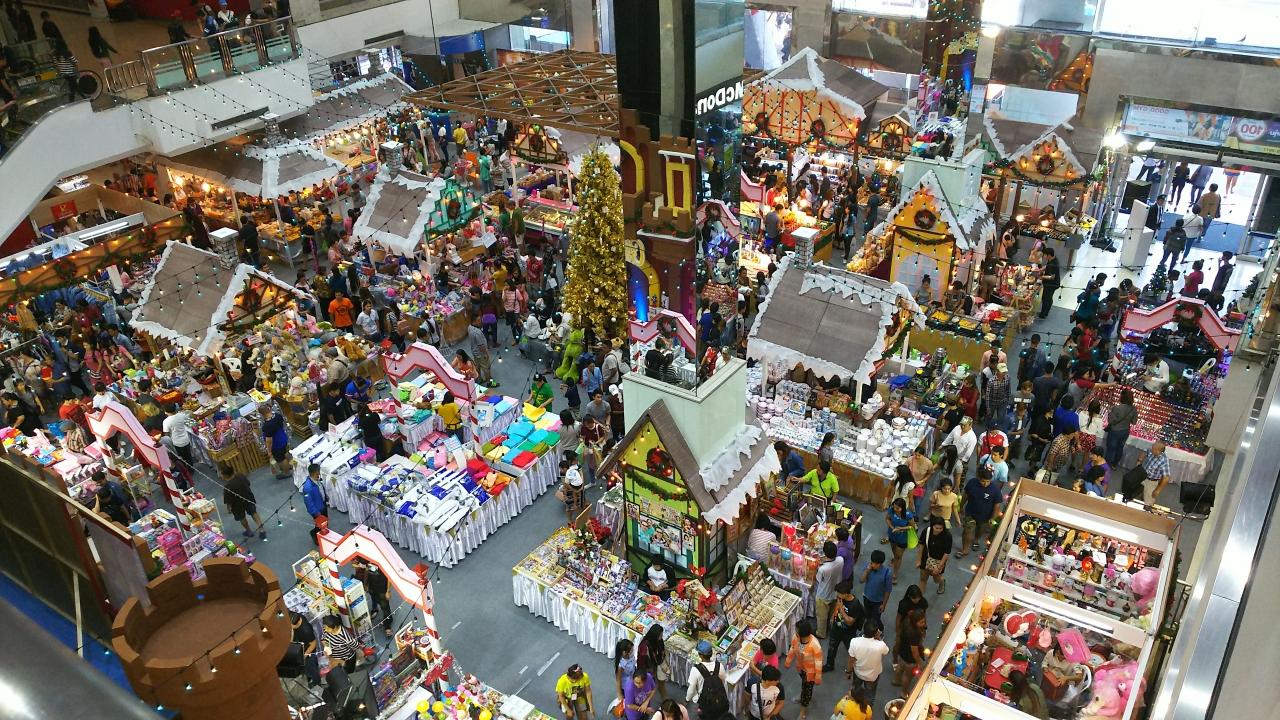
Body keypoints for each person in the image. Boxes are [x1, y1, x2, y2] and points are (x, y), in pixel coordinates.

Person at [783, 620, 824, 720]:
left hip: (810, 673)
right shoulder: (796, 638)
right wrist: (788, 661)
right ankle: (802, 695)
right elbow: (792, 649)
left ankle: (802, 712)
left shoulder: (815, 645)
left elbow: (818, 662)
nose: (795, 631)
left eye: (797, 630)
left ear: (802, 633)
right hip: (801, 668)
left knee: (807, 692)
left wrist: (818, 677)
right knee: (804, 684)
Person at [959, 466, 1002, 557]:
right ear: (979, 478)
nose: (985, 484)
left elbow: (997, 505)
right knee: (967, 530)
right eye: (983, 481)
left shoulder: (995, 489)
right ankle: (965, 549)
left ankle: (976, 540)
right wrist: (961, 507)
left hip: (985, 516)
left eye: (988, 481)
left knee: (980, 530)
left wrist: (993, 518)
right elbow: (965, 495)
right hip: (970, 513)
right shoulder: (972, 483)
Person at [845, 623, 889, 703]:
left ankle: (854, 704)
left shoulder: (854, 642)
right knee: (870, 694)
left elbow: (851, 659)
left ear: (864, 630)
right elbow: (886, 651)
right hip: (872, 676)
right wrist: (879, 638)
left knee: (855, 690)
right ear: (876, 633)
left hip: (858, 673)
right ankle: (867, 708)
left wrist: (848, 671)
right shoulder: (880, 645)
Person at [220, 466, 266, 540]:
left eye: (221, 474)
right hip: (248, 498)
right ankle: (261, 529)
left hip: (237, 505)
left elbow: (229, 501)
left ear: (225, 475)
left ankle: (249, 531)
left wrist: (229, 509)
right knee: (254, 513)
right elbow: (248, 483)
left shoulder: (227, 486)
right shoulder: (240, 475)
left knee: (242, 517)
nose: (221, 476)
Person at [685, 640, 729, 719]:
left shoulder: (695, 670)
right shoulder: (719, 666)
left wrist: (687, 699)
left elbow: (691, 689)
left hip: (704, 702)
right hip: (719, 701)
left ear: (700, 655)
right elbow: (724, 683)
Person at [352, 557, 393, 636]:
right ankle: (376, 610)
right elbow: (367, 571)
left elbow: (389, 577)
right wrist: (366, 584)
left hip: (382, 588)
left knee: (385, 607)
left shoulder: (382, 563)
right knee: (376, 600)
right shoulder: (368, 564)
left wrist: (388, 591)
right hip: (372, 587)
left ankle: (387, 625)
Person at [814, 541, 844, 639]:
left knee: (821, 617)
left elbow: (818, 579)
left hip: (823, 595)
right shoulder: (840, 560)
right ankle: (830, 626)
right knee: (832, 612)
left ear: (825, 553)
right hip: (835, 592)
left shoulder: (823, 569)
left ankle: (821, 633)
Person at [892, 610, 927, 688]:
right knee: (908, 676)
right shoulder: (915, 634)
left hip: (902, 651)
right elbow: (914, 651)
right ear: (914, 622)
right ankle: (904, 692)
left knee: (900, 666)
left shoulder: (906, 622)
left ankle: (896, 680)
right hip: (910, 658)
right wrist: (919, 662)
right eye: (921, 622)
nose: (924, 624)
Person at [918, 516, 952, 594]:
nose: (938, 530)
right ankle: (919, 597)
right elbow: (921, 545)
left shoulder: (947, 536)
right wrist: (918, 559)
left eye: (940, 528)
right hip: (926, 557)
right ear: (932, 526)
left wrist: (939, 567)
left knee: (936, 580)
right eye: (936, 528)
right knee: (923, 578)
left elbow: (947, 553)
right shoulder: (926, 531)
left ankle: (942, 581)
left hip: (939, 560)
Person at [860, 550, 893, 629]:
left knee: (876, 619)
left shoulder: (887, 573)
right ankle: (869, 632)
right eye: (872, 562)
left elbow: (888, 590)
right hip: (867, 597)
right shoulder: (868, 567)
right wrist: (867, 571)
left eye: (876, 564)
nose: (873, 565)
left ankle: (880, 630)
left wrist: (884, 604)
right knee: (867, 616)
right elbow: (861, 580)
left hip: (878, 602)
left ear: (880, 564)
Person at [637, 624, 669, 701]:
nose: (661, 637)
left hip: (658, 665)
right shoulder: (644, 647)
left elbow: (662, 651)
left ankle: (664, 699)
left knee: (661, 683)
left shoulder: (658, 640)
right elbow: (642, 663)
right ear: (654, 636)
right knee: (649, 687)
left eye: (661, 635)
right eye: (660, 635)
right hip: (649, 669)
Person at [884, 498, 913, 578]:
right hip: (892, 535)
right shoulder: (891, 510)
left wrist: (900, 528)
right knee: (894, 552)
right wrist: (892, 527)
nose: (895, 509)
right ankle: (895, 559)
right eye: (894, 507)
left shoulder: (908, 515)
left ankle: (895, 573)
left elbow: (912, 526)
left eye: (897, 508)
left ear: (902, 508)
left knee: (898, 556)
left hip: (902, 538)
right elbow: (887, 519)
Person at [290, 611, 321, 685]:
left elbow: (313, 644)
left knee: (312, 669)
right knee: (306, 669)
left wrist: (304, 656)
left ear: (297, 623)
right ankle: (308, 676)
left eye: (291, 626)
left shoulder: (306, 631)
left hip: (308, 652)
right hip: (301, 645)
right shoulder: (295, 616)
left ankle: (316, 682)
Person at [1038, 247, 1061, 319]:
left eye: (1044, 255)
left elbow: (1052, 277)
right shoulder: (1053, 259)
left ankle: (1043, 314)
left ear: (1049, 255)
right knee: (1049, 298)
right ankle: (1046, 312)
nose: (1043, 256)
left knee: (1045, 299)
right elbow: (1047, 266)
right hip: (1054, 283)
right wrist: (1041, 269)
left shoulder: (1053, 265)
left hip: (1051, 284)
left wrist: (1042, 277)